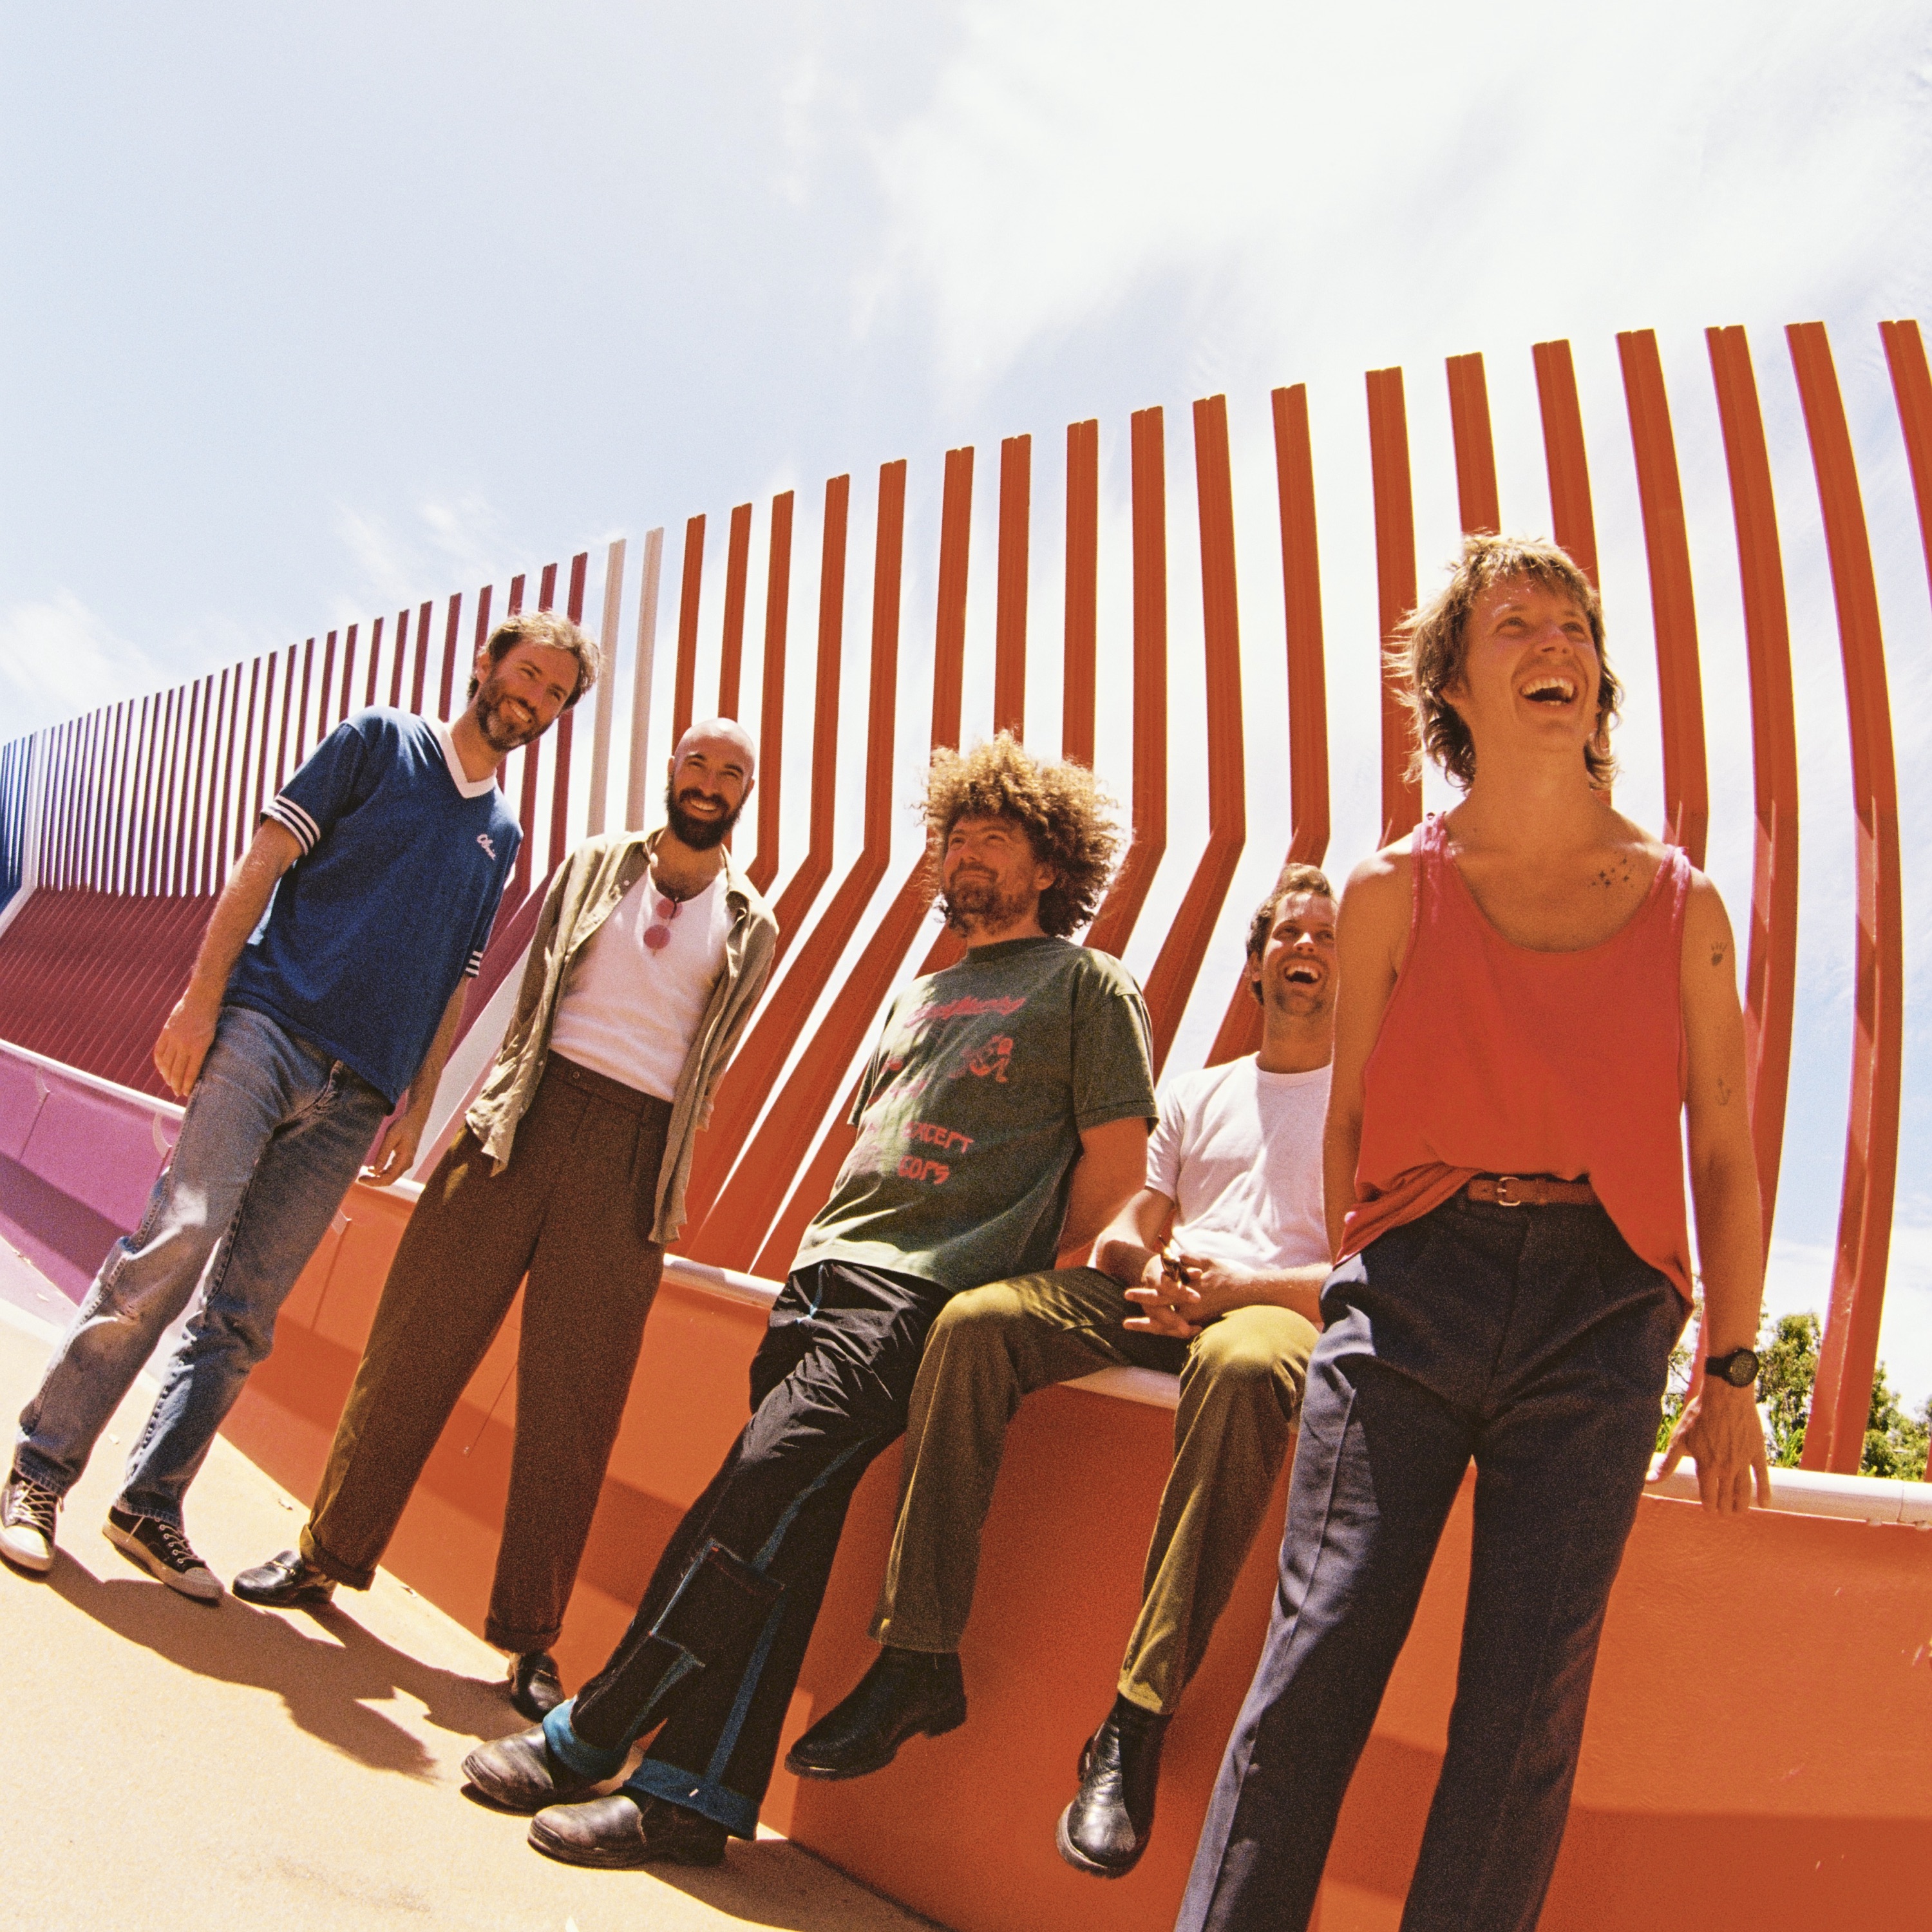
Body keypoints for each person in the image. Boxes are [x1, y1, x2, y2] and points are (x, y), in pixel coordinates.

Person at [1177, 535, 1772, 1932]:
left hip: (1603, 1314)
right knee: (1315, 1659)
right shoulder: (1391, 890)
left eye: (1572, 625)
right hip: (1413, 1282)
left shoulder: (1686, 907)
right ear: (1451, 682)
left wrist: (1732, 1369)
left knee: (1522, 1721)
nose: (1555, 643)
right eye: (1517, 625)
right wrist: (1363, 1273)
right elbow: (1352, 1126)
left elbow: (1730, 1155)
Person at [460, 732, 1157, 1870]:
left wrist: (1042, 1300)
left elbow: (1115, 1178)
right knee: (780, 1540)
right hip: (825, 1274)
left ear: (1051, 865)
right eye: (957, 833)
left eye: (1000, 837)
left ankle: (591, 1729)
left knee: (751, 1492)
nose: (970, 851)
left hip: (923, 1295)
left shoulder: (1088, 985)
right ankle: (693, 1801)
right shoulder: (926, 990)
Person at [0, 612, 597, 1597]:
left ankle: (150, 1506)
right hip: (267, 1032)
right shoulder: (379, 740)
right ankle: (40, 1472)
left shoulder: (502, 836)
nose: (531, 701)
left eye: (554, 696)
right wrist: (201, 1000)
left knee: (245, 1312)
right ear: (485, 664)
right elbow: (265, 859)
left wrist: (420, 1103)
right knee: (175, 1243)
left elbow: (456, 980)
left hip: (360, 1094)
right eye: (525, 674)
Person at [783, 864, 1341, 1881]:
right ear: (1257, 965)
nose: (1304, 951)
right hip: (1163, 1294)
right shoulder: (1204, 1091)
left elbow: (1361, 1272)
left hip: (1268, 1316)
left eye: (1327, 937)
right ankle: (917, 1653)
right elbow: (1133, 1213)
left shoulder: (1371, 1101)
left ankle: (1136, 1717)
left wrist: (1234, 1291)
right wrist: (1145, 1262)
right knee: (979, 1319)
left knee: (1248, 1370)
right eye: (1288, 936)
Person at [231, 717, 777, 1721]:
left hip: (633, 1161)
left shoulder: (754, 923)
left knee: (575, 1405)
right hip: (522, 1121)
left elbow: (711, 1062)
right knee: (412, 1349)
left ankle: (531, 1641)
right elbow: (522, 999)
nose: (709, 781)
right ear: (670, 769)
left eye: (730, 772)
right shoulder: (594, 862)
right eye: (696, 762)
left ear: (747, 792)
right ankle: (327, 1553)